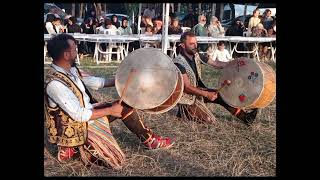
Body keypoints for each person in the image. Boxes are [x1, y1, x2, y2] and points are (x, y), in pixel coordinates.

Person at [45, 34, 174, 168]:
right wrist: (110, 110)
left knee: (125, 106)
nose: (77, 51)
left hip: (88, 114)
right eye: (74, 49)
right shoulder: (55, 83)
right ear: (66, 55)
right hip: (76, 127)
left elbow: (95, 82)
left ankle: (149, 140)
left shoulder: (71, 70)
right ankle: (73, 148)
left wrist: (121, 81)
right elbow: (79, 115)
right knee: (113, 160)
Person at [172, 32, 259, 125]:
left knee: (221, 96)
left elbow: (216, 64)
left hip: (198, 92)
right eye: (191, 44)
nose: (195, 46)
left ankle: (245, 117)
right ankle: (183, 113)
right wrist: (207, 94)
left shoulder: (196, 55)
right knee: (209, 120)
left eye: (196, 43)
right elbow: (187, 87)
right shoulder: (178, 63)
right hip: (186, 99)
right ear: (183, 45)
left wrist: (235, 63)